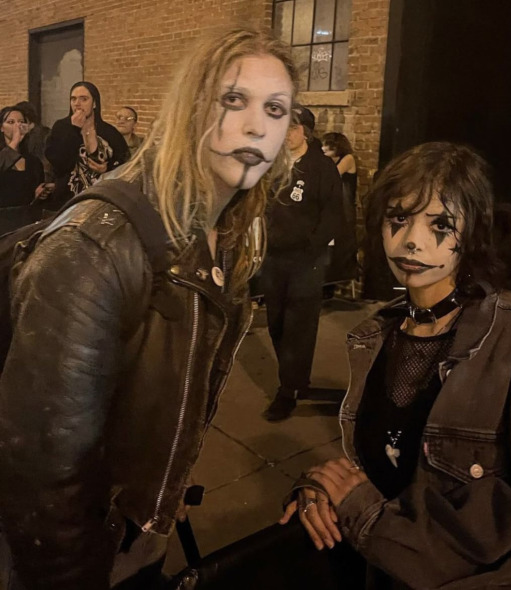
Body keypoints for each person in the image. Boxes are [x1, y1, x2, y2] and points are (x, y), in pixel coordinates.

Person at [0, 27, 298, 589]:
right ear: (192, 106)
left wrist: (161, 483)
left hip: (138, 538)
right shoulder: (96, 247)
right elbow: (43, 477)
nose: (258, 125)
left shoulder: (230, 230)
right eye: (235, 99)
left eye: (275, 108)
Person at [281, 142, 511, 588]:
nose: (411, 240)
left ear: (473, 234)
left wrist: (366, 515)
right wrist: (325, 489)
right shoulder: (375, 337)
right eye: (398, 219)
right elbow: (389, 463)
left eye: (441, 224)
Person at [261, 105, 343, 422]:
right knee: (277, 323)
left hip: (306, 260)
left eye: (292, 128)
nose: (286, 134)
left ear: (305, 132)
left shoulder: (321, 167)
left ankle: (290, 390)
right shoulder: (274, 164)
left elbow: (332, 214)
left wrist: (312, 250)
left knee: (300, 325)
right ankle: (292, 379)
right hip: (274, 257)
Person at [44, 81, 130, 210]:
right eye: (73, 99)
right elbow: (59, 164)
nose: (77, 104)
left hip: (100, 201)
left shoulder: (109, 132)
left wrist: (106, 169)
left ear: (94, 103)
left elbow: (124, 165)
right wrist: (74, 130)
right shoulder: (61, 128)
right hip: (66, 202)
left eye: (83, 99)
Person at [0, 105, 49, 234]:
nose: (17, 126)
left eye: (21, 122)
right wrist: (14, 142)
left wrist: (39, 194)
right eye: (11, 122)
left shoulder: (33, 161)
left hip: (25, 222)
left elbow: (32, 198)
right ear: (1, 128)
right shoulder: (2, 157)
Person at [322, 131, 358, 284]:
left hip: (345, 210)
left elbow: (332, 176)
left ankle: (339, 278)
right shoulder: (329, 162)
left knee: (342, 244)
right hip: (333, 209)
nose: (323, 148)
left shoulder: (348, 159)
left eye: (327, 145)